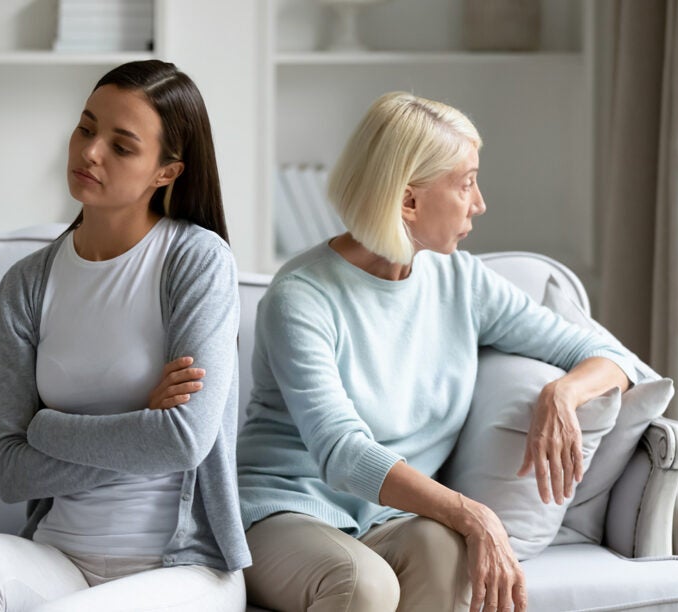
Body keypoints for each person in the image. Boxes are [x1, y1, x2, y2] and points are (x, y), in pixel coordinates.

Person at [237, 92, 637, 612]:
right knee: (365, 585)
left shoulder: (462, 282)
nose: (479, 203)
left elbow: (611, 355)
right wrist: (474, 514)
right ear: (408, 201)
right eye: (466, 183)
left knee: (448, 555)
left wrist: (562, 392)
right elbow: (342, 453)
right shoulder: (301, 297)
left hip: (386, 519)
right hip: (285, 511)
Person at [0, 59, 249, 612]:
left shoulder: (196, 261)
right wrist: (139, 422)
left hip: (182, 568)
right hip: (60, 556)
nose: (90, 152)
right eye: (86, 127)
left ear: (165, 172)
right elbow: (8, 468)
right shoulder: (27, 284)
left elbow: (183, 441)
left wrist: (47, 428)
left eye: (121, 147)